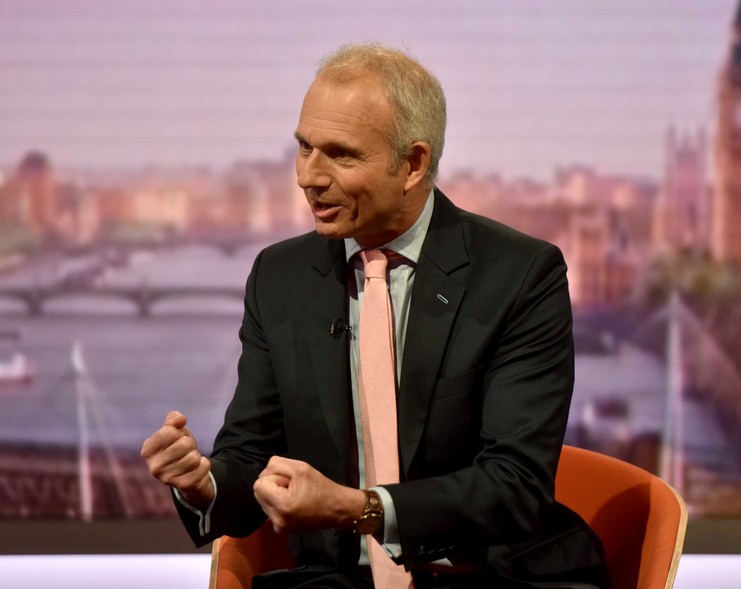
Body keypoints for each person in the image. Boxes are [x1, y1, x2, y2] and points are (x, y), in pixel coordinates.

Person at [141, 43, 609, 589]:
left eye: (340, 155)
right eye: (304, 148)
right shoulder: (279, 277)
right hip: (337, 578)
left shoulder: (519, 274)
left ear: (412, 164)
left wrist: (360, 508)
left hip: (488, 571)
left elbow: (514, 486)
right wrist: (204, 484)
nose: (309, 177)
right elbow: (252, 456)